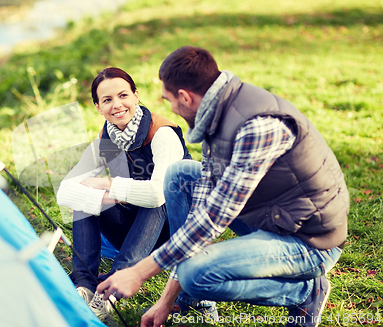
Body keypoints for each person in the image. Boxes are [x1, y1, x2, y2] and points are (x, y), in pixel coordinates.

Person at [97, 46, 349, 327]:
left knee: (196, 273)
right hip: (274, 217)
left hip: (310, 241)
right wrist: (166, 301)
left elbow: (214, 218)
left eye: (169, 100)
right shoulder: (217, 112)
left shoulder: (255, 126)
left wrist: (138, 272)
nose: (169, 109)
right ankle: (191, 298)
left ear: (185, 97)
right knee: (180, 174)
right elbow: (201, 206)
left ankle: (304, 292)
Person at [56, 67, 191, 318]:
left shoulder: (161, 133)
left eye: (123, 95)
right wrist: (108, 196)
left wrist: (107, 185)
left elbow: (156, 196)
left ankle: (114, 287)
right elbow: (65, 192)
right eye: (107, 100)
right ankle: (84, 284)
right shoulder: (106, 141)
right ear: (98, 107)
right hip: (131, 232)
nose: (117, 105)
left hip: (173, 233)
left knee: (159, 195)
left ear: (136, 96)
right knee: (84, 198)